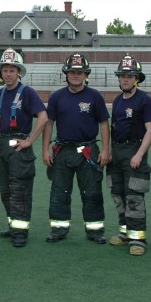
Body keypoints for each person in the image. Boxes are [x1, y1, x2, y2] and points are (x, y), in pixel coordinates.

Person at [42, 53, 110, 244]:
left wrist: (105, 150)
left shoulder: (95, 96)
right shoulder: (56, 97)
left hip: (88, 151)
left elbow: (104, 123)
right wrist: (45, 150)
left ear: (86, 74)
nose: (76, 75)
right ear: (66, 73)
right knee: (59, 191)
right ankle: (58, 229)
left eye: (80, 72)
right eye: (72, 71)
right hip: (62, 151)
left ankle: (95, 231)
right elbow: (49, 123)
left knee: (92, 192)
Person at [0, 48, 48, 247]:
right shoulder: (0, 93)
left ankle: (21, 232)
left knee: (20, 191)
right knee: (5, 191)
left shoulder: (27, 92)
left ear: (19, 72)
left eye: (11, 70)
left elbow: (43, 117)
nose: (8, 74)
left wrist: (30, 140)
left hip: (20, 147)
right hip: (4, 146)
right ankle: (13, 226)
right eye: (5, 70)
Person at [107, 54, 151, 256]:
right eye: (122, 76)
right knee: (118, 195)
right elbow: (113, 128)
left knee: (134, 196)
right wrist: (110, 151)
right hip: (117, 153)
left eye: (130, 76)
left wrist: (139, 154)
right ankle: (125, 233)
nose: (125, 79)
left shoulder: (145, 100)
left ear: (137, 78)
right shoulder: (118, 100)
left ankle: (138, 239)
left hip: (134, 152)